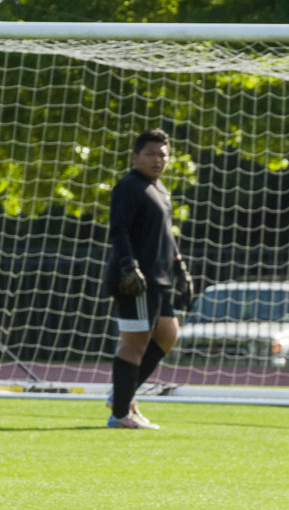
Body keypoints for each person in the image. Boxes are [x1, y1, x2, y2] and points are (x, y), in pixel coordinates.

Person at [102, 128, 194, 429]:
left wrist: (180, 269)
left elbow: (167, 236)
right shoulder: (129, 187)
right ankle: (120, 414)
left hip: (159, 279)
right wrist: (129, 266)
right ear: (135, 156)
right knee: (135, 344)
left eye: (163, 155)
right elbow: (119, 230)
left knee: (168, 334)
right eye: (152, 154)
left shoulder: (160, 189)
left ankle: (121, 393)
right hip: (136, 280)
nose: (158, 160)